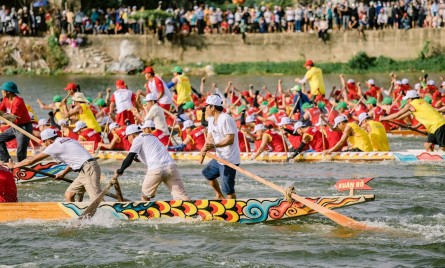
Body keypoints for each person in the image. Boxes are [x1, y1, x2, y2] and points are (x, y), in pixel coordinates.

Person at [10, 129, 102, 202]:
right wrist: (63, 174)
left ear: (48, 140)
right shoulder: (69, 140)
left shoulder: (55, 145)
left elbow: (31, 160)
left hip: (88, 169)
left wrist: (15, 165)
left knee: (96, 199)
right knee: (69, 194)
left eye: (44, 142)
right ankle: (77, 214)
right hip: (86, 169)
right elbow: (73, 161)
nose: (45, 145)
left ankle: (107, 215)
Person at [115, 124, 189, 201]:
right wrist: (137, 158)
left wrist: (121, 169)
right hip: (171, 167)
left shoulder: (137, 139)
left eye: (127, 137)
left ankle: (144, 211)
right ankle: (189, 209)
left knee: (145, 195)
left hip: (156, 169)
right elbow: (152, 154)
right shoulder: (152, 137)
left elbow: (129, 158)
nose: (128, 140)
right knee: (181, 195)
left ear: (132, 135)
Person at [201, 94, 240, 199]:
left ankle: (233, 210)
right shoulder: (210, 119)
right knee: (207, 173)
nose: (205, 109)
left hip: (229, 159)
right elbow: (209, 137)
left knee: (228, 189)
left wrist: (213, 145)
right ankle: (219, 196)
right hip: (220, 158)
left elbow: (230, 140)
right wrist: (205, 147)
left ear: (213, 107)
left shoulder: (226, 119)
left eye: (206, 106)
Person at [0, 81, 33, 162]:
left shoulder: (18, 101)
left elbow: (12, 118)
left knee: (20, 151)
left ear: (8, 92)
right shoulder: (5, 99)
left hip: (24, 128)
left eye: (3, 91)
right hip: (14, 127)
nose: (1, 92)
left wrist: (1, 114)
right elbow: (1, 110)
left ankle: (22, 168)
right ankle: (7, 160)